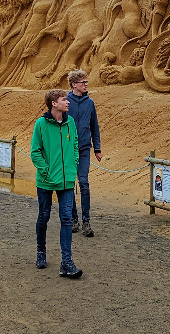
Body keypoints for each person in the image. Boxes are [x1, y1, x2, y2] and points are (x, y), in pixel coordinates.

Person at [30, 89, 82, 278]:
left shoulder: (70, 122)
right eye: (63, 99)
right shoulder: (41, 124)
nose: (67, 102)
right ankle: (41, 251)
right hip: (46, 181)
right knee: (44, 216)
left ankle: (66, 262)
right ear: (54, 103)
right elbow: (35, 151)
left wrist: (73, 165)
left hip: (67, 181)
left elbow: (75, 145)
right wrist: (46, 170)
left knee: (66, 219)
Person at [66, 69, 102, 237]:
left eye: (86, 82)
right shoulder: (66, 102)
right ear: (74, 84)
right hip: (68, 150)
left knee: (84, 183)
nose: (86, 85)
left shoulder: (90, 102)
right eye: (83, 82)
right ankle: (74, 219)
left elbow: (95, 126)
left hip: (85, 149)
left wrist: (97, 148)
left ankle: (86, 221)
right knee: (69, 184)